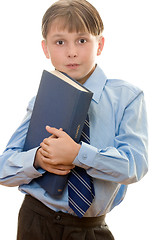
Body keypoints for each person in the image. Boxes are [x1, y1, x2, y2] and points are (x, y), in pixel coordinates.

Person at [0, 0, 148, 239]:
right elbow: (4, 168)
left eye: (82, 40)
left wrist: (78, 154)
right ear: (45, 49)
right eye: (60, 42)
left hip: (90, 227)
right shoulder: (41, 99)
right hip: (36, 220)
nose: (71, 52)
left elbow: (134, 166)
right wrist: (38, 159)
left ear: (99, 44)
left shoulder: (127, 98)